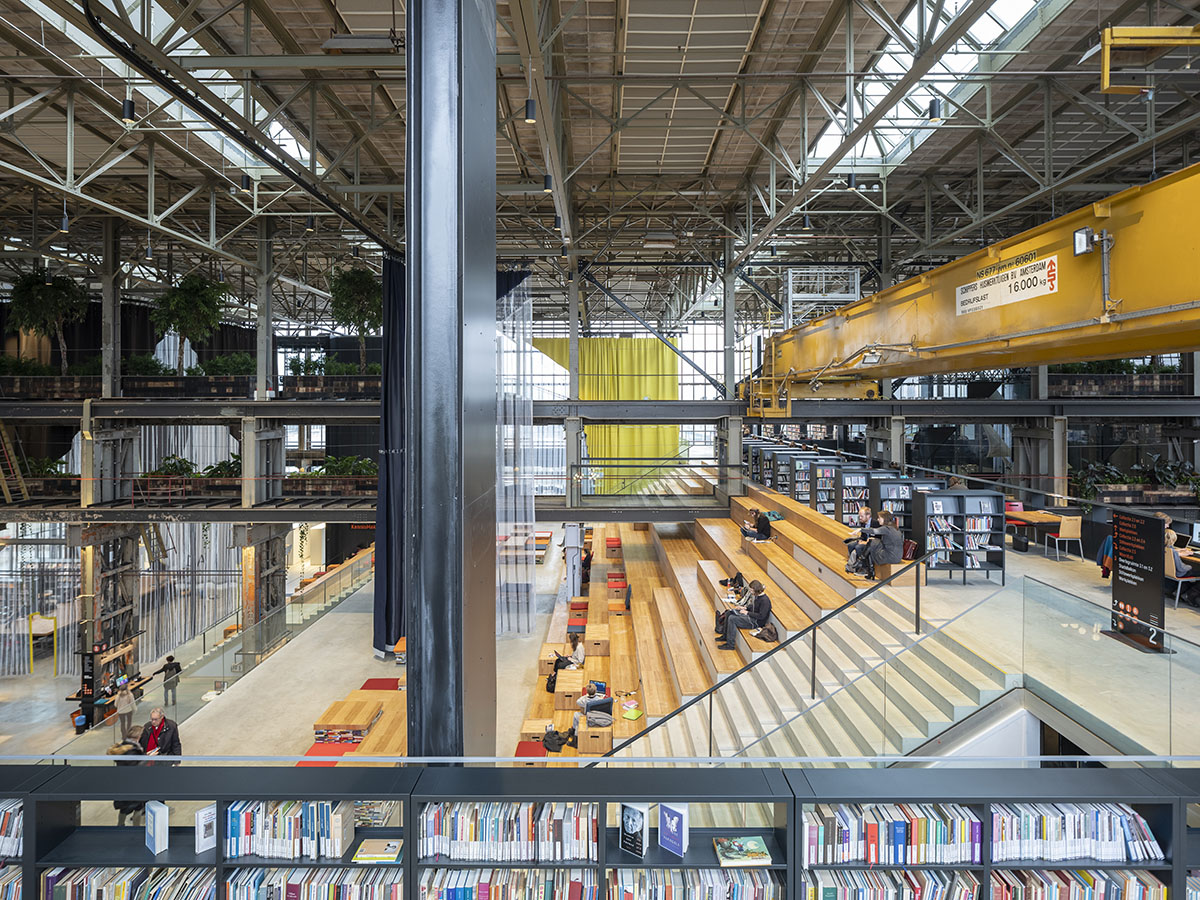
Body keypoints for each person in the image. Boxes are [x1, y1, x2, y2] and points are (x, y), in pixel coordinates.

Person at [715, 580, 772, 651]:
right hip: (751, 616)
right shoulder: (757, 596)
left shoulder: (765, 601)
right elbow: (753, 607)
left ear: (756, 590)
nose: (750, 592)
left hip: (755, 622)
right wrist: (745, 608)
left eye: (751, 590)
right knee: (729, 613)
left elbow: (761, 616)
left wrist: (747, 612)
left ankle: (730, 644)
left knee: (732, 619)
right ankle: (725, 636)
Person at [848, 510, 904, 579]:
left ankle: (866, 567)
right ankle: (862, 564)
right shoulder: (895, 528)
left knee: (871, 545)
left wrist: (860, 529)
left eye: (879, 518)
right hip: (898, 556)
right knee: (871, 544)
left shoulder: (886, 529)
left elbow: (874, 531)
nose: (878, 519)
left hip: (890, 556)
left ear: (884, 519)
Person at [107, 726, 145, 825]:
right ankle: (136, 828)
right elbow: (135, 767)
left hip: (122, 784)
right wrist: (147, 758)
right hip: (133, 785)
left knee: (124, 808)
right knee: (138, 807)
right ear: (138, 736)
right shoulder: (132, 750)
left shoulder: (122, 747)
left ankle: (120, 826)